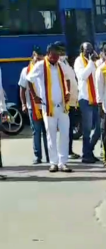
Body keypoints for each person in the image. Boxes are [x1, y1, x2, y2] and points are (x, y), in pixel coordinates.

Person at [27, 42, 73, 173]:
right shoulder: (41, 66)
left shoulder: (61, 65)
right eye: (53, 56)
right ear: (48, 54)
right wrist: (34, 96)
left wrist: (68, 91)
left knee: (64, 134)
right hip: (48, 107)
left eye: (57, 55)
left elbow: (68, 78)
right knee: (51, 135)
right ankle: (53, 163)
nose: (55, 58)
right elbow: (29, 79)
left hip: (63, 107)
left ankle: (63, 162)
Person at [18, 46, 47, 165]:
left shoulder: (46, 69)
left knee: (47, 132)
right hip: (32, 106)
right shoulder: (26, 70)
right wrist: (24, 104)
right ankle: (37, 156)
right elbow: (22, 89)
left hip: (45, 105)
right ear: (33, 56)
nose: (38, 58)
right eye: (36, 56)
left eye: (40, 56)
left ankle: (50, 156)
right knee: (36, 131)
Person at [74, 42, 101, 163]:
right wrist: (91, 62)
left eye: (91, 49)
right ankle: (86, 155)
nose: (89, 52)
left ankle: (89, 150)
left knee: (99, 128)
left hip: (95, 99)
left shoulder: (94, 62)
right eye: (87, 50)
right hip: (85, 99)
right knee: (87, 129)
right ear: (82, 51)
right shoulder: (78, 61)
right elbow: (83, 76)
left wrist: (97, 60)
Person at [59, 45, 81, 161]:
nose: (63, 52)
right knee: (66, 129)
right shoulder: (58, 65)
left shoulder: (66, 64)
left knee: (70, 128)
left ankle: (69, 150)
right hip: (65, 102)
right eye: (60, 50)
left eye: (63, 50)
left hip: (72, 101)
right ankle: (66, 151)